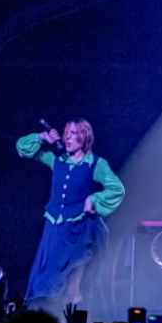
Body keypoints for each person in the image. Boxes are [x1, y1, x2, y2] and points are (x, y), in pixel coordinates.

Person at [16, 120, 125, 309]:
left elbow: (117, 189)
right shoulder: (56, 159)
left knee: (71, 285)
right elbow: (22, 148)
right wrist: (43, 137)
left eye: (73, 133)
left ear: (84, 138)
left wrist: (94, 199)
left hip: (78, 231)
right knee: (44, 280)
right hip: (54, 230)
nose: (67, 137)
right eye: (66, 133)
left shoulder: (95, 164)